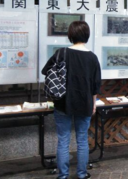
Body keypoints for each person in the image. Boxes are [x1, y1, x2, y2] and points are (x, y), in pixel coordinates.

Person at [42, 21, 101, 179]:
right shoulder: (92, 58)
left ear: (70, 35)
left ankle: (63, 176)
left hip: (62, 102)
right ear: (87, 35)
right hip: (85, 102)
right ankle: (81, 174)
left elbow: (45, 71)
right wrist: (94, 103)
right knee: (82, 139)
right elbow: (96, 86)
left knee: (63, 140)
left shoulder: (61, 53)